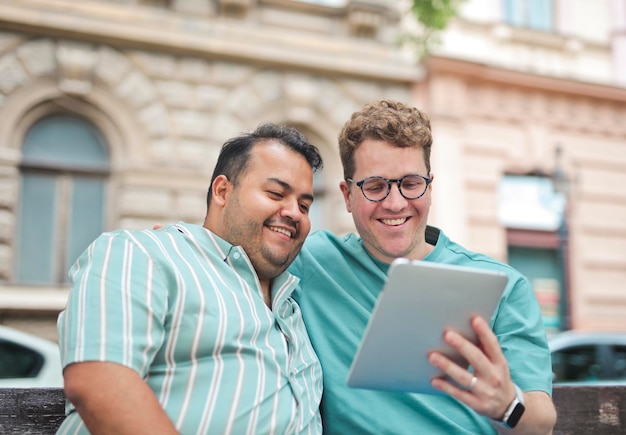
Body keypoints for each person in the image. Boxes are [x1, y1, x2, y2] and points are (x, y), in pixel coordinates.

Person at [289, 100, 557, 434]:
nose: (395, 203)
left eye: (411, 183)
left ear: (430, 185)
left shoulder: (502, 285)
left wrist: (508, 404)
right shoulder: (309, 261)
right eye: (375, 187)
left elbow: (541, 423)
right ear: (346, 196)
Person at [56, 123, 324, 435]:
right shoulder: (143, 253)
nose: (294, 213)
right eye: (276, 193)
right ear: (222, 191)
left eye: (305, 206)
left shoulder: (294, 302)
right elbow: (98, 381)